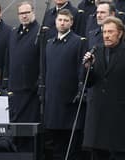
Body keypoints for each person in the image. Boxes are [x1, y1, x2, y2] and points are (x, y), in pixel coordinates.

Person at [83, 16, 125, 160]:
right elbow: (88, 83)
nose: (107, 35)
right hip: (97, 114)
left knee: (118, 154)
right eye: (104, 32)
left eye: (110, 32)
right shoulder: (96, 51)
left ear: (120, 33)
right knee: (97, 154)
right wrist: (87, 68)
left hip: (119, 114)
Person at [45, 9, 87, 160]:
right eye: (59, 20)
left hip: (70, 103)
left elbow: (80, 71)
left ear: (71, 22)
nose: (62, 23)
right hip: (52, 102)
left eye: (65, 20)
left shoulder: (78, 42)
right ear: (55, 22)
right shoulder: (49, 43)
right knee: (54, 145)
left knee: (70, 144)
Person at [8, 1, 40, 152]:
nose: (24, 16)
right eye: (21, 13)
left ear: (33, 12)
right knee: (14, 129)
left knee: (28, 130)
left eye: (27, 12)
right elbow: (9, 58)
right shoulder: (14, 33)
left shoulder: (40, 32)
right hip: (15, 89)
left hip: (31, 90)